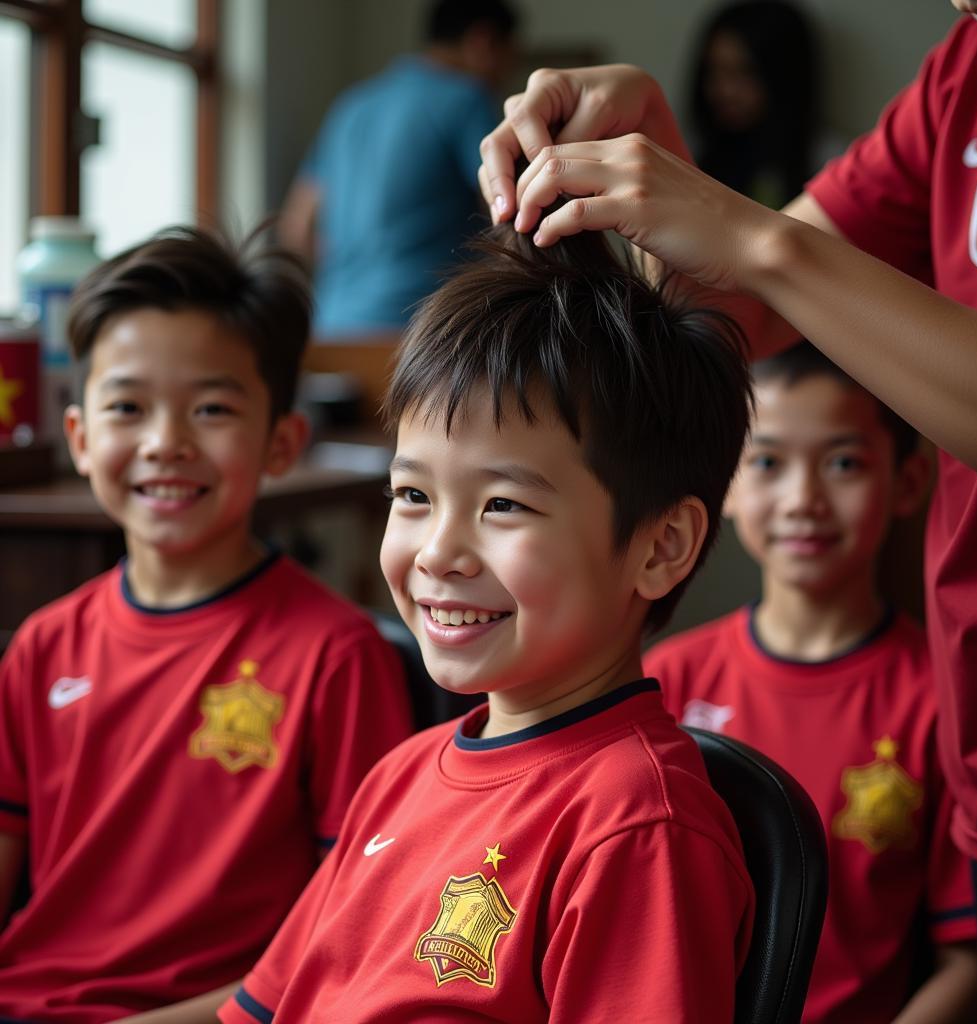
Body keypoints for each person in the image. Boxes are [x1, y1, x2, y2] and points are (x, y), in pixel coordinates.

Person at [477, 5, 977, 1017]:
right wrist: (651, 163)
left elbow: (766, 262)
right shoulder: (964, 73)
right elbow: (740, 309)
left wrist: (742, 229)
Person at [218, 222, 755, 1023]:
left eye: (502, 504)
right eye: (413, 496)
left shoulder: (638, 828)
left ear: (660, 545)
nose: (439, 552)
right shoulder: (400, 774)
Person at [0, 227, 413, 1023]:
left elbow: (349, 933)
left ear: (281, 442)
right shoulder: (41, 647)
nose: (166, 443)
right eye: (128, 407)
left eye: (212, 408)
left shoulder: (336, 657)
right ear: (80, 440)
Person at [645, 340, 977, 1024]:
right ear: (727, 484)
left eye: (844, 463)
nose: (804, 499)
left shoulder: (944, 700)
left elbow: (968, 961)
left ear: (909, 483)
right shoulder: (661, 681)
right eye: (767, 462)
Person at [278, 0, 519, 340]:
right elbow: (509, 210)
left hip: (331, 329)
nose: (505, 72)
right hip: (420, 338)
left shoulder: (352, 106)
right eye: (509, 57)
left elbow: (296, 229)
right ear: (482, 42)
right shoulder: (467, 98)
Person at [689, 0, 830, 209]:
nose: (725, 90)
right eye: (714, 71)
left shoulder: (828, 164)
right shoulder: (689, 153)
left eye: (744, 72)